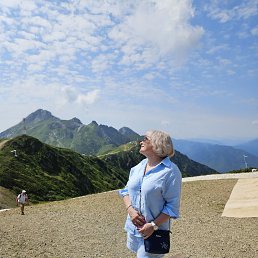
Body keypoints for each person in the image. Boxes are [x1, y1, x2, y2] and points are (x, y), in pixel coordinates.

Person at [119, 130, 182, 258]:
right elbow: (125, 191)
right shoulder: (139, 167)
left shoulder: (171, 171)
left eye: (145, 139)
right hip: (134, 229)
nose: (140, 141)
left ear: (157, 144)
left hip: (153, 232)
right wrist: (131, 211)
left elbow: (172, 206)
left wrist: (152, 225)